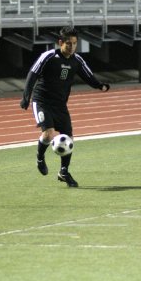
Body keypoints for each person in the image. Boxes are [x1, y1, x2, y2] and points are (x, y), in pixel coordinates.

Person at [20, 26, 110, 187]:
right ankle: (40, 158)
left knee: (69, 139)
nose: (72, 47)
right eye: (68, 43)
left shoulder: (77, 60)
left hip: (60, 105)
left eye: (75, 43)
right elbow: (32, 74)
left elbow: (88, 75)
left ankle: (63, 171)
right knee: (48, 135)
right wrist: (26, 97)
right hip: (42, 101)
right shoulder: (48, 56)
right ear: (60, 42)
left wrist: (99, 85)